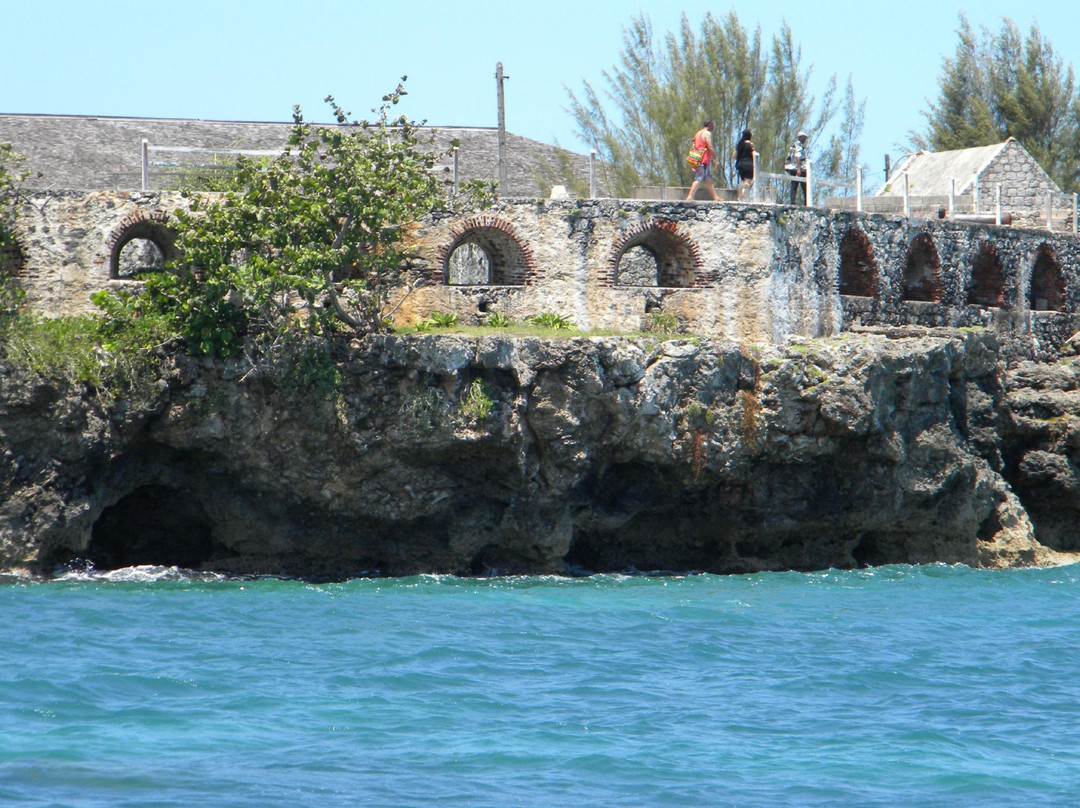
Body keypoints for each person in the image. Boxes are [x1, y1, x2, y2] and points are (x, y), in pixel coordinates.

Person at [685, 121, 720, 201]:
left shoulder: (698, 133)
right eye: (712, 125)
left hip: (697, 159)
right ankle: (690, 196)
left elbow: (695, 147)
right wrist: (715, 159)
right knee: (699, 178)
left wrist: (693, 163)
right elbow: (710, 146)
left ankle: (715, 197)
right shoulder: (707, 133)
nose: (713, 128)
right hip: (703, 160)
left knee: (708, 180)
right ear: (710, 125)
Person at [786, 131, 809, 205]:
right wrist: (799, 169)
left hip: (792, 168)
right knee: (805, 186)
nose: (805, 139)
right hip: (798, 168)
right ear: (801, 137)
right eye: (804, 138)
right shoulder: (799, 145)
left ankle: (793, 202)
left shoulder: (793, 145)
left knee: (794, 185)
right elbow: (797, 156)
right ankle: (807, 203)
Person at [733, 128, 756, 200]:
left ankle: (741, 195)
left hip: (740, 165)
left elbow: (734, 156)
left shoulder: (739, 144)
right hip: (748, 165)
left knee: (744, 181)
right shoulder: (750, 145)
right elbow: (754, 155)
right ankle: (742, 197)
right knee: (747, 182)